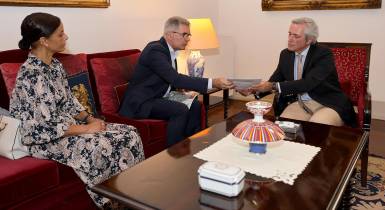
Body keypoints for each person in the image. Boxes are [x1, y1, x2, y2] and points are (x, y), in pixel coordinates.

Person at [10, 12, 145, 208]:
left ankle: (130, 192)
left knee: (129, 132)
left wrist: (90, 119)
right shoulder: (32, 75)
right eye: (60, 34)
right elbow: (43, 127)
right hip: (42, 140)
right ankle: (111, 201)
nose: (66, 37)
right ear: (44, 41)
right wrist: (86, 129)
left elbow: (68, 101)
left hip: (65, 127)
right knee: (100, 144)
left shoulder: (54, 65)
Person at [119, 16, 234, 146]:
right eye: (185, 35)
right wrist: (213, 82)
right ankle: (173, 154)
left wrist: (180, 90)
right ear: (170, 35)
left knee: (195, 105)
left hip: (159, 96)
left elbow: (168, 79)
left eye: (189, 35)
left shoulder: (170, 51)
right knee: (180, 109)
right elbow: (175, 78)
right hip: (141, 102)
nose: (188, 39)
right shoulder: (155, 50)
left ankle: (194, 144)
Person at [239, 17, 356, 127]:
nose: (290, 39)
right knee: (283, 128)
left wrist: (272, 86)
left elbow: (308, 83)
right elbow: (275, 80)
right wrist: (253, 90)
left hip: (328, 103)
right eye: (289, 34)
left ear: (309, 40)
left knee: (316, 127)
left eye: (296, 36)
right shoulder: (286, 54)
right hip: (300, 103)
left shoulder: (323, 54)